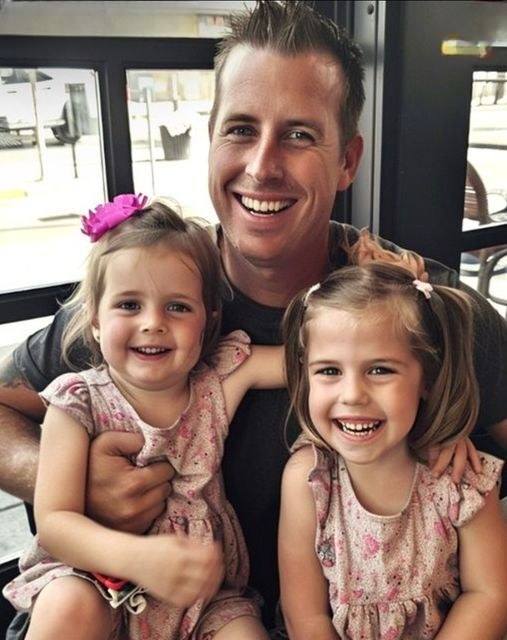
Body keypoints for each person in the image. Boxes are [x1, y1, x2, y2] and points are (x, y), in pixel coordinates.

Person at [0, 1, 505, 636]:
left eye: (299, 135)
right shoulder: (148, 297)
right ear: (210, 139)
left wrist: (452, 434)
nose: (262, 166)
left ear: (348, 160)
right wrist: (64, 480)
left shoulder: (425, 309)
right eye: (240, 129)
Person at [3, 196, 284, 640]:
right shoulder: (77, 402)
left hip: (202, 599)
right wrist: (137, 559)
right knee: (67, 604)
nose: (153, 323)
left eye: (178, 307)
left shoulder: (218, 383)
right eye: (129, 305)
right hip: (97, 580)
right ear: (94, 319)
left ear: (208, 321)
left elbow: (310, 362)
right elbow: (55, 524)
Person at [279, 236, 507, 639]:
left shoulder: (462, 478)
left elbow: (490, 594)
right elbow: (305, 616)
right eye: (329, 371)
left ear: (426, 378)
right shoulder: (308, 480)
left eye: (380, 370)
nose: (353, 394)